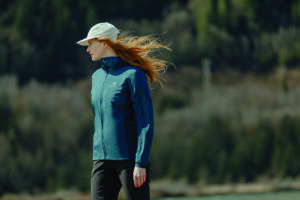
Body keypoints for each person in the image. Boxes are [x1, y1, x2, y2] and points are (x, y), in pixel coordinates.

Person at [76, 22, 170, 200]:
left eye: (90, 43)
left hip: (130, 160)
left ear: (105, 43)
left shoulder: (133, 75)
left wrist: (141, 162)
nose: (88, 49)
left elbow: (145, 121)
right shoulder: (96, 77)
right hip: (101, 159)